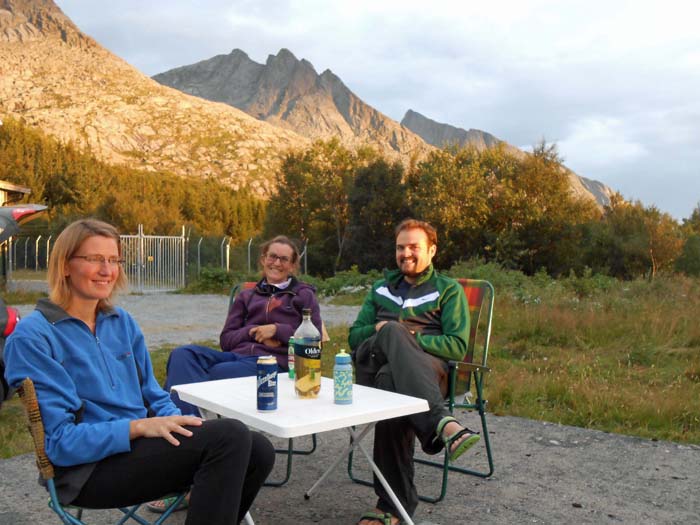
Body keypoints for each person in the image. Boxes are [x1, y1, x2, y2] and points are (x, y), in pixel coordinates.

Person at [3, 219, 275, 525]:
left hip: (138, 453)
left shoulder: (121, 322)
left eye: (114, 260)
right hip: (86, 471)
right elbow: (61, 443)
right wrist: (137, 427)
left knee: (259, 450)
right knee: (230, 436)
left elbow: (152, 393)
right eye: (94, 259)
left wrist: (179, 421)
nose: (107, 270)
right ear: (65, 265)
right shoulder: (34, 337)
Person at [349, 219, 480, 525]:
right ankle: (440, 425)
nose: (405, 253)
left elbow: (456, 346)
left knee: (391, 380)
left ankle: (393, 506)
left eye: (413, 247)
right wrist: (386, 330)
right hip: (371, 361)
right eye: (400, 247)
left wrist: (412, 339)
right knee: (392, 334)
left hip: (426, 373)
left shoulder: (448, 291)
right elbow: (355, 336)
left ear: (432, 250)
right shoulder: (381, 288)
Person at [164, 235, 322, 415]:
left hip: (272, 364)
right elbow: (226, 340)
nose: (276, 263)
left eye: (284, 259)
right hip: (237, 356)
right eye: (272, 256)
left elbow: (315, 341)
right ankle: (182, 422)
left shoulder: (303, 295)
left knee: (210, 373)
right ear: (263, 259)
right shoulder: (247, 296)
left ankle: (177, 423)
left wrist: (277, 330)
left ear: (293, 266)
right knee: (183, 355)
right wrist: (253, 332)